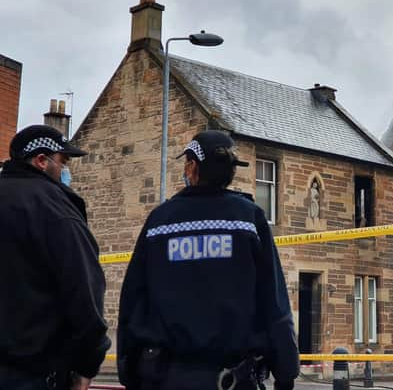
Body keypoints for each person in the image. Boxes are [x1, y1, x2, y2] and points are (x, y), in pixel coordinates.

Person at [118, 130, 300, 390]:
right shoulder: (248, 220)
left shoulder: (159, 222)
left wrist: (128, 369)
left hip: (165, 376)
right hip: (232, 378)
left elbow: (133, 299)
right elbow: (274, 300)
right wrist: (285, 371)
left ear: (192, 166)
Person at [0, 125, 111, 390]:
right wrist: (86, 365)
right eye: (63, 161)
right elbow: (84, 293)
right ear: (41, 160)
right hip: (32, 372)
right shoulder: (56, 210)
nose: (65, 171)